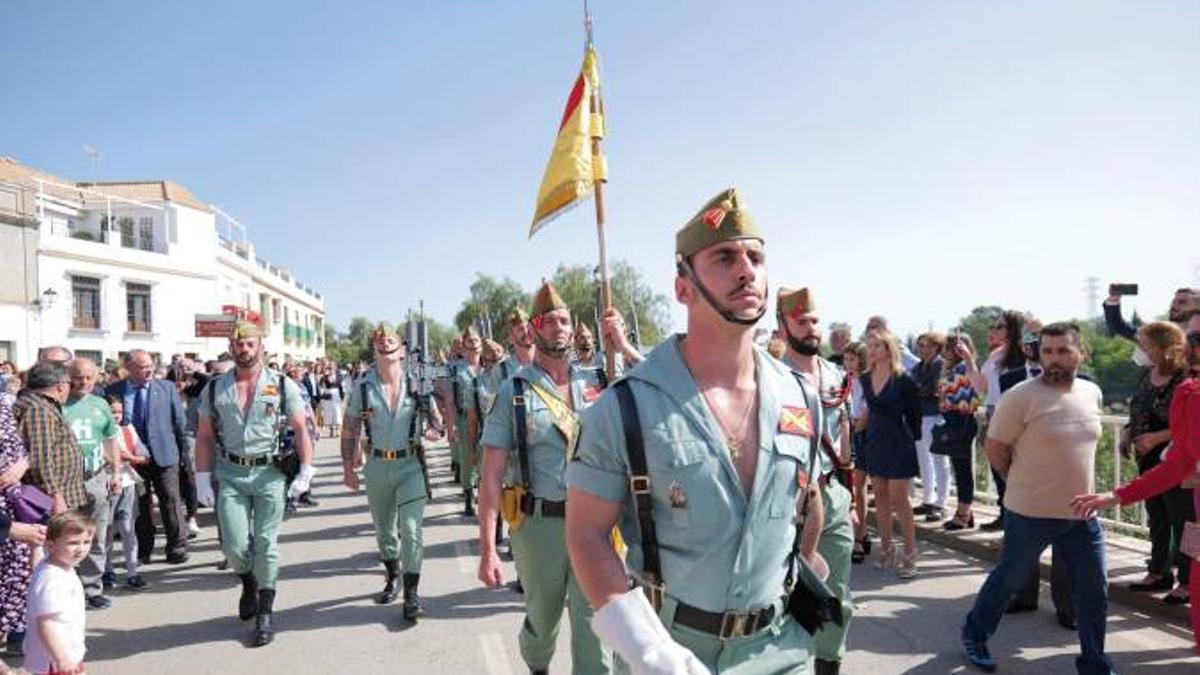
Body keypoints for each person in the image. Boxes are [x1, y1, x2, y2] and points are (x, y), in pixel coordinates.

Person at [565, 188, 824, 673]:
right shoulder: (624, 408)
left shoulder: (801, 396)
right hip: (672, 646)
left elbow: (808, 505)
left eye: (756, 257)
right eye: (725, 257)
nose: (746, 270)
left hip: (780, 649)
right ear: (683, 287)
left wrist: (797, 579)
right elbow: (586, 535)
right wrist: (648, 649)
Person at [962, 323, 1113, 674]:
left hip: (1082, 514)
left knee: (1094, 590)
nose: (1054, 359)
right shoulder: (1021, 395)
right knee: (1009, 579)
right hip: (1030, 512)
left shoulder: (1091, 391)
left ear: (1081, 352)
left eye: (1063, 351)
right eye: (1047, 351)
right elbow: (995, 448)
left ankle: (1094, 661)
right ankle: (975, 634)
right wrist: (1018, 481)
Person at [477, 281, 612, 675]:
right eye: (549, 321)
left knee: (595, 627)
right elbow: (490, 475)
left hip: (597, 525)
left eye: (564, 320)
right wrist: (488, 547)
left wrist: (620, 346)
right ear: (534, 330)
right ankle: (537, 664)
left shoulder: (599, 382)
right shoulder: (514, 390)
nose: (559, 327)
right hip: (539, 526)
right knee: (544, 619)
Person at [1073, 309, 1200, 649]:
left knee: (1182, 524)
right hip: (1177, 482)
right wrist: (1116, 494)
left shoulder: (1184, 386)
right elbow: (1175, 458)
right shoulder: (1186, 392)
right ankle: (1164, 571)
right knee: (1170, 524)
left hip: (1179, 477)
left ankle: (1182, 578)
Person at [194, 320, 316, 647]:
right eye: (239, 345)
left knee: (266, 542)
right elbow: (205, 435)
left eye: (250, 344)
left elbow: (301, 428)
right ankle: (248, 579)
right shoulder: (215, 387)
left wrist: (306, 469)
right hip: (231, 473)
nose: (244, 350)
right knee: (234, 547)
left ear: (261, 346)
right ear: (231, 348)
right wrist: (201, 477)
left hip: (269, 474)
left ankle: (265, 611)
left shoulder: (281, 383)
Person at [776, 287, 855, 675]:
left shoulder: (836, 375)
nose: (811, 329)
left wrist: (855, 499)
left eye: (814, 322)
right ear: (782, 325)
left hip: (832, 493)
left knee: (836, 594)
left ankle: (828, 664)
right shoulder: (770, 376)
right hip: (784, 499)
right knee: (776, 592)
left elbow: (846, 441)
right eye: (801, 322)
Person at [342, 323, 441, 621]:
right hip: (377, 466)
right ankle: (392, 574)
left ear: (401, 351)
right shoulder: (362, 386)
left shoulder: (417, 384)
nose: (386, 346)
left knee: (411, 530)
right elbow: (350, 427)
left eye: (392, 343)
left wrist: (435, 430)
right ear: (374, 350)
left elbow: (435, 419)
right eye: (380, 343)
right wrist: (348, 466)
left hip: (410, 464)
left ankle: (411, 594)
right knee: (386, 531)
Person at [1122, 322, 1192, 602]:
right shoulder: (1147, 374)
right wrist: (1128, 434)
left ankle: (1188, 581)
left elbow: (1191, 423)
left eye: (1144, 343)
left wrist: (1156, 437)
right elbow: (1138, 408)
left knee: (1185, 522)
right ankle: (1159, 570)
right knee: (1158, 517)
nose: (1140, 349)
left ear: (1162, 345)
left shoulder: (1185, 377)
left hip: (1177, 457)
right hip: (1148, 457)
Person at [105, 350, 190, 565]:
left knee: (170, 500)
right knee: (140, 507)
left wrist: (183, 456)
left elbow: (179, 423)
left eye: (150, 365)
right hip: (131, 458)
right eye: (143, 366)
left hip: (165, 453)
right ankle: (144, 549)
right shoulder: (113, 390)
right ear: (129, 368)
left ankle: (177, 546)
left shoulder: (167, 388)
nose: (149, 370)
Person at [861, 329, 922, 577]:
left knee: (900, 499)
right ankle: (886, 549)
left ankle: (910, 554)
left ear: (889, 349)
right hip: (875, 441)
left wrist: (911, 439)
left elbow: (915, 414)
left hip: (899, 442)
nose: (872, 350)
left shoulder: (903, 379)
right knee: (881, 498)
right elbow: (867, 410)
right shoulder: (864, 378)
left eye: (877, 345)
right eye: (870, 345)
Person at [62, 359, 122, 610]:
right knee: (66, 533)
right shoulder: (59, 403)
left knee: (96, 534)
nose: (83, 382)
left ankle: (92, 587)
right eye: (78, 377)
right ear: (68, 376)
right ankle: (66, 586)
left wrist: (116, 473)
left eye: (88, 378)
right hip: (66, 479)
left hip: (96, 477)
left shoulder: (100, 404)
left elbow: (110, 440)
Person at [23, 511, 93, 675]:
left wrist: (35, 548)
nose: (81, 549)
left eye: (87, 541)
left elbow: (36, 567)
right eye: (73, 543)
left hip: (60, 653)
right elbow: (45, 624)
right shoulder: (53, 579)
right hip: (54, 658)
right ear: (51, 545)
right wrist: (61, 659)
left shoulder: (51, 565)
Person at [14, 362, 86, 516]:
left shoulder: (40, 405)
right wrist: (55, 497)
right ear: (61, 385)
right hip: (49, 501)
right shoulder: (39, 409)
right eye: (69, 384)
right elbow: (40, 460)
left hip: (55, 497)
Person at [978, 310, 1027, 532]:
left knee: (1015, 471)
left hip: (1013, 417)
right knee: (999, 470)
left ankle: (1016, 520)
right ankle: (1005, 514)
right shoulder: (997, 355)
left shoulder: (1025, 355)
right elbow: (983, 386)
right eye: (994, 326)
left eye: (1000, 326)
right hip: (993, 413)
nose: (994, 330)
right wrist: (969, 359)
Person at [0, 397, 40, 657]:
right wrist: (8, 528)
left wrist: (20, 466)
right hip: (6, 522)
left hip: (12, 504)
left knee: (17, 578)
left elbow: (19, 447)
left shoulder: (3, 405)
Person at [938, 333, 982, 531]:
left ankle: (963, 513)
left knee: (963, 470)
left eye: (948, 347)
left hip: (962, 420)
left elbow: (967, 395)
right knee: (960, 468)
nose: (945, 352)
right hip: (954, 421)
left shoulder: (964, 366)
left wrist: (966, 356)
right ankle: (965, 510)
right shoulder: (951, 369)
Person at [103, 396, 146, 592]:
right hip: (104, 484)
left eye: (119, 411)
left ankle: (132, 571)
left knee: (128, 529)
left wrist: (131, 457)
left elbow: (144, 455)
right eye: (112, 411)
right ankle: (107, 570)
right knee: (106, 531)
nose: (116, 416)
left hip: (127, 484)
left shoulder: (128, 430)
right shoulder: (99, 432)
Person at [911, 332, 949, 521]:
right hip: (920, 416)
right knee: (924, 460)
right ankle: (928, 498)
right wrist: (919, 389)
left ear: (937, 347)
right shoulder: (918, 367)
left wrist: (919, 389)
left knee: (939, 460)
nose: (923, 349)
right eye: (921, 345)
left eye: (928, 345)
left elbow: (931, 389)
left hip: (936, 417)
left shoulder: (939, 364)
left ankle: (941, 503)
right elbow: (914, 389)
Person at [843, 340, 872, 564]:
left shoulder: (866, 381)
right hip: (845, 434)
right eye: (845, 358)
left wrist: (856, 426)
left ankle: (860, 535)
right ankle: (855, 532)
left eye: (852, 359)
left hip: (862, 434)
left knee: (859, 487)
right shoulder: (844, 380)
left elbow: (865, 410)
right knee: (850, 488)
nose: (848, 363)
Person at [451, 326, 484, 516]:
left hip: (487, 419)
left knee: (485, 457)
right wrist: (449, 423)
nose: (473, 344)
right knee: (467, 457)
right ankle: (469, 494)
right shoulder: (455, 369)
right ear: (463, 345)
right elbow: (447, 395)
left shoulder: (490, 366)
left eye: (476, 340)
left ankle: (482, 491)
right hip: (464, 418)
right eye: (469, 341)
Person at [1103, 286, 1199, 340]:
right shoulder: (1161, 336)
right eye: (1173, 302)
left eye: (1182, 302)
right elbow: (1119, 327)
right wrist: (1113, 300)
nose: (1174, 306)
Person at [318, 365, 344, 439]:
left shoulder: (338, 377)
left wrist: (342, 396)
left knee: (337, 413)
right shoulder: (324, 377)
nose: (331, 370)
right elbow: (321, 386)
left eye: (332, 368)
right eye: (329, 368)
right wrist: (323, 395)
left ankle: (337, 430)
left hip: (336, 395)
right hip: (328, 395)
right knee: (329, 413)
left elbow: (341, 387)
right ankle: (331, 430)